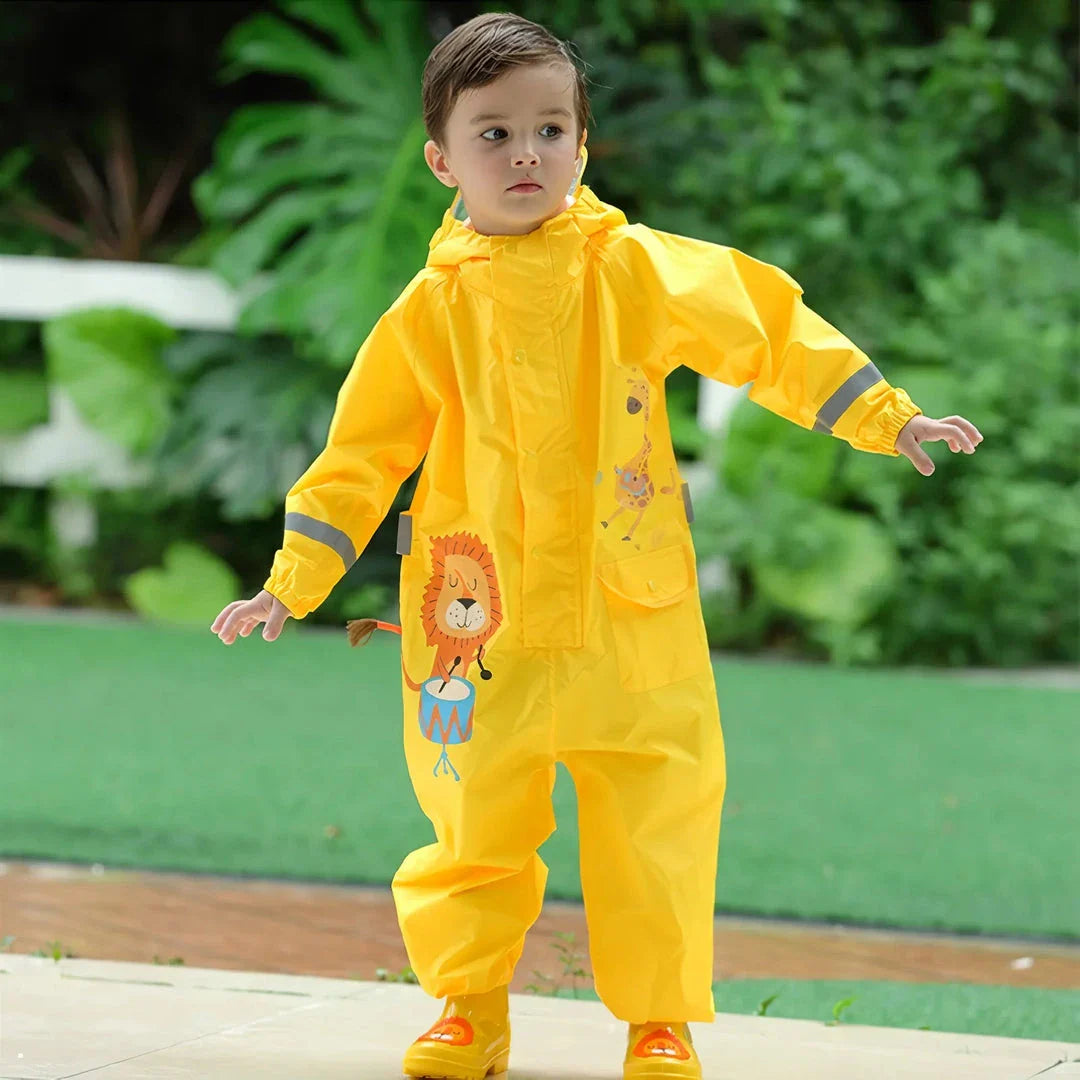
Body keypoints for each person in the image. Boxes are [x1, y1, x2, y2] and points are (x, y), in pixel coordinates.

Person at [211, 11, 982, 1078]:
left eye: (550, 130)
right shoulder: (430, 312)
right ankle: (467, 1008)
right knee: (470, 822)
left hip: (633, 618)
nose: (527, 154)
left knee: (657, 815)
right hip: (477, 625)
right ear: (441, 159)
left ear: (582, 143)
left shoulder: (637, 271)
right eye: (494, 135)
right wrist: (289, 584)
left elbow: (764, 329)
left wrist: (888, 416)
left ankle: (657, 1020)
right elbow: (360, 454)